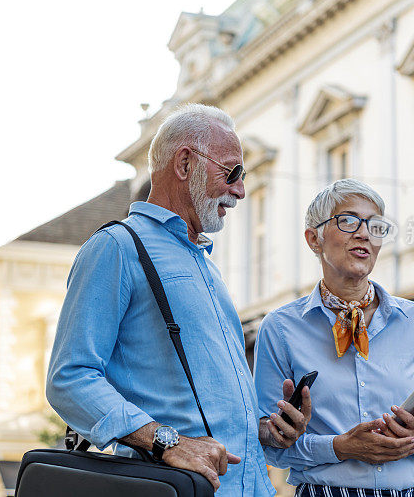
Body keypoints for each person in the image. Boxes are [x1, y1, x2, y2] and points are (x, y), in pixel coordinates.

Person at [46, 103, 311, 496]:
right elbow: (69, 378)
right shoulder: (117, 247)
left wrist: (267, 431)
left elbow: (207, 409)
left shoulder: (206, 265)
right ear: (185, 164)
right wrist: (167, 441)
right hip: (177, 489)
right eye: (232, 172)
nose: (240, 189)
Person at [254, 178, 414, 496]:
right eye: (347, 221)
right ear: (313, 239)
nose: (364, 234)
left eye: (375, 226)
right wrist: (339, 447)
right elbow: (270, 446)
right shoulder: (280, 328)